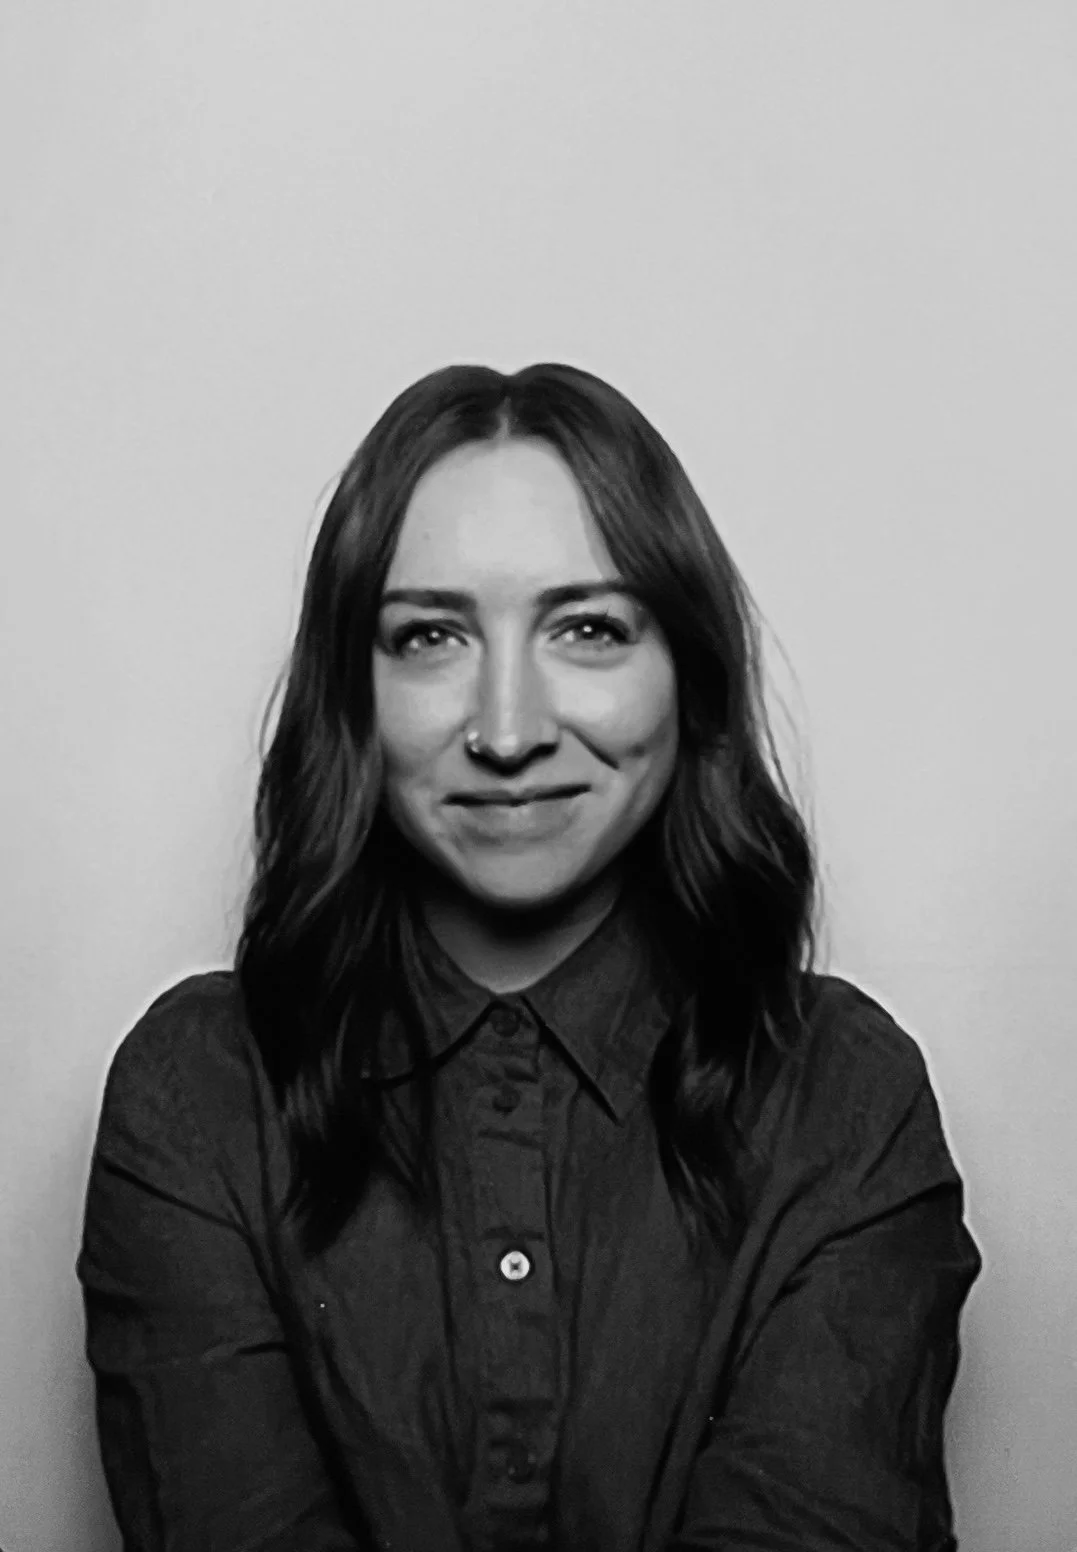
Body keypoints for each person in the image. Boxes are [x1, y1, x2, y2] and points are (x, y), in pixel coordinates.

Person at [77, 362, 981, 1552]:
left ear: (690, 675)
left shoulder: (844, 1095)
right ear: (353, 694)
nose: (507, 731)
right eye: (430, 635)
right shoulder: (198, 1094)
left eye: (589, 629)